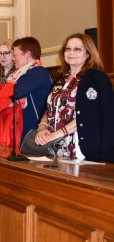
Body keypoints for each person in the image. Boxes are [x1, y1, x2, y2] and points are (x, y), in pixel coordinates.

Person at [34, 33, 114, 162]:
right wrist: (42, 129)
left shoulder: (97, 79)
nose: (71, 52)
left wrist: (56, 134)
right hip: (53, 145)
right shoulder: (60, 79)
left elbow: (88, 116)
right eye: (68, 48)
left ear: (88, 53)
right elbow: (48, 109)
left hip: (80, 146)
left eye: (77, 49)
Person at [9, 37, 51, 143]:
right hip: (23, 132)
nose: (13, 58)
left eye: (15, 54)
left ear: (27, 55)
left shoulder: (38, 72)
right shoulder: (23, 74)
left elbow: (16, 92)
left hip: (34, 134)